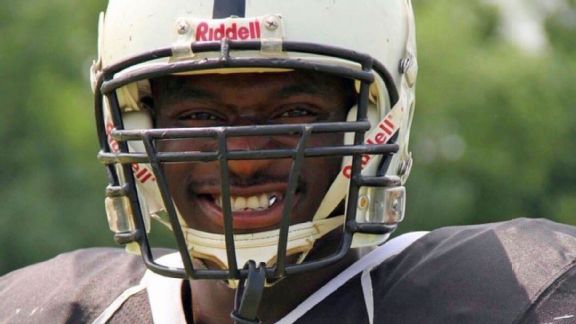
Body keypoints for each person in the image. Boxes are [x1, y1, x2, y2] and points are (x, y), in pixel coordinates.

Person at [1, 1, 576, 323]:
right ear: (135, 126)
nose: (244, 159)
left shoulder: (513, 297)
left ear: (379, 115)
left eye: (294, 112)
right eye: (201, 117)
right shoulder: (45, 312)